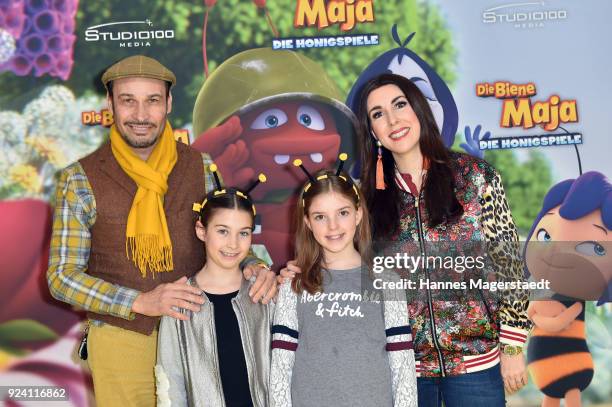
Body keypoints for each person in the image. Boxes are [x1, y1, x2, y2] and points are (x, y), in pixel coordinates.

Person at [46, 55, 276, 407]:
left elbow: (224, 232)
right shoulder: (79, 179)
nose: (140, 114)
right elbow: (62, 277)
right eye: (128, 100)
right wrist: (141, 301)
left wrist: (252, 265)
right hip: (122, 342)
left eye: (152, 100)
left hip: (197, 328)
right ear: (109, 104)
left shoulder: (199, 165)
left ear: (168, 103)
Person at [356, 73, 530, 406]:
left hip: (475, 368)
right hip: (403, 373)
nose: (392, 120)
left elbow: (509, 267)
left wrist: (512, 347)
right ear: (372, 131)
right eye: (377, 114)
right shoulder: (365, 199)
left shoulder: (475, 177)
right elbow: (346, 270)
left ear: (418, 109)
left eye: (399, 105)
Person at [270, 160, 417, 407]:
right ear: (307, 222)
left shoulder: (387, 281)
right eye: (320, 216)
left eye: (343, 212)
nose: (333, 226)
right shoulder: (293, 284)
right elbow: (281, 368)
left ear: (358, 213)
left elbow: (402, 364)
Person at [156, 170, 273, 407]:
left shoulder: (264, 294)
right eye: (222, 231)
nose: (233, 244)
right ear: (202, 231)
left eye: (243, 233)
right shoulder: (181, 302)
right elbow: (171, 383)